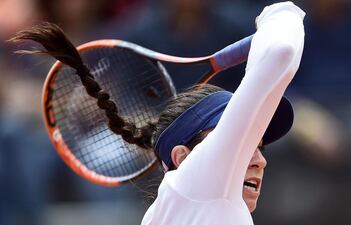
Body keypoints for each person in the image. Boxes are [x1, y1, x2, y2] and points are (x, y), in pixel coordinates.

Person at [9, 1, 305, 224]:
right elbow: (280, 51)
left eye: (258, 146)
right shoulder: (200, 187)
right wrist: (280, 12)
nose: (259, 160)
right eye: (242, 142)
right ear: (183, 158)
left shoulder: (185, 207)